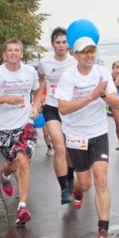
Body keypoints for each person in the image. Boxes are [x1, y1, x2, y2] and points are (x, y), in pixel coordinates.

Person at [55, 35, 119, 238]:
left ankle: (103, 229)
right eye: (84, 52)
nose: (89, 55)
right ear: (75, 55)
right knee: (85, 184)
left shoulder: (102, 73)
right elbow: (63, 108)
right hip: (76, 135)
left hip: (99, 132)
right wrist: (91, 97)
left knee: (101, 180)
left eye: (92, 51)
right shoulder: (68, 77)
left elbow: (117, 102)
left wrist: (102, 95)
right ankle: (76, 188)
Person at [0, 38, 43, 227]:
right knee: (14, 164)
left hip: (25, 125)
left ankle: (22, 207)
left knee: (23, 161)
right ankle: (4, 173)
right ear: (4, 54)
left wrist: (35, 105)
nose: (13, 53)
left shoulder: (30, 72)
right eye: (10, 50)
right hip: (3, 128)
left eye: (17, 50)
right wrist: (5, 98)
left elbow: (39, 89)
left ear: (22, 54)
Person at [37, 27, 77, 204]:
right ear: (52, 44)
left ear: (68, 44)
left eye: (64, 42)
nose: (61, 46)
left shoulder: (75, 61)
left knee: (71, 150)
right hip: (52, 108)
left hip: (70, 109)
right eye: (57, 42)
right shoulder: (45, 63)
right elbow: (40, 80)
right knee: (59, 148)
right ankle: (63, 190)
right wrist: (37, 101)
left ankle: (70, 179)